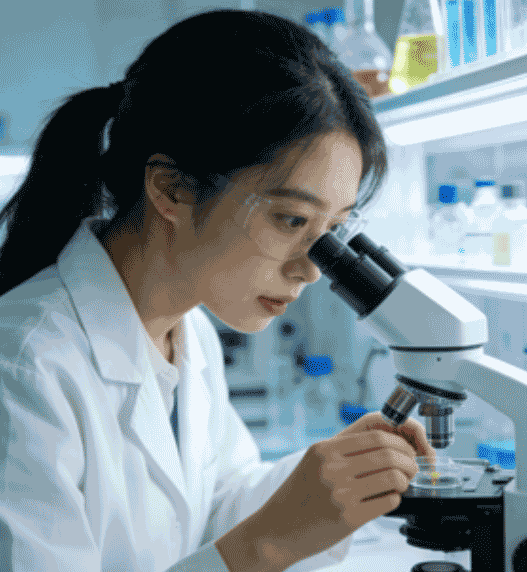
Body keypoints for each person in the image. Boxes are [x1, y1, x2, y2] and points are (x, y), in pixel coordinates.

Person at [0, 8, 436, 572]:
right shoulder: (24, 365)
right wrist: (269, 543)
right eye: (290, 220)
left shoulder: (188, 331)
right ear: (172, 190)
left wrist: (335, 480)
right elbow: (245, 543)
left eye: (331, 230)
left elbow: (215, 507)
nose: (311, 270)